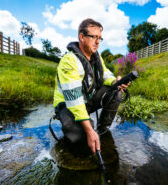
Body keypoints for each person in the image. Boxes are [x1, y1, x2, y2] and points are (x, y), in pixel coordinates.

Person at [53, 18, 129, 154]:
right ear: (81, 37)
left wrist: (115, 81)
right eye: (94, 37)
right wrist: (89, 130)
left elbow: (105, 73)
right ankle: (79, 131)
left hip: (87, 100)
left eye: (100, 38)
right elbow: (74, 100)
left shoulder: (97, 57)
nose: (98, 41)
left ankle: (102, 130)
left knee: (116, 91)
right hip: (68, 105)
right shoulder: (69, 61)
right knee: (81, 139)